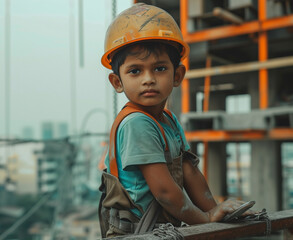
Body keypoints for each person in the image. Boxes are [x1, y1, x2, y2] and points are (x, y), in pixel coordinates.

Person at [98, 3, 253, 238]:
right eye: (135, 71)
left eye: (159, 68)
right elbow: (164, 192)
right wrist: (206, 219)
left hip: (159, 230)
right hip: (137, 233)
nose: (148, 79)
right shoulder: (137, 123)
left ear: (177, 75)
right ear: (117, 82)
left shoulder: (167, 119)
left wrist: (214, 209)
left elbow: (189, 171)